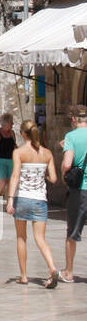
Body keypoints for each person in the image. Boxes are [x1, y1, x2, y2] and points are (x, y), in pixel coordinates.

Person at [7, 122, 58, 288]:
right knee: (40, 239)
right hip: (40, 200)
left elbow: (15, 176)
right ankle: (52, 268)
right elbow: (54, 179)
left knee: (21, 238)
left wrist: (9, 199)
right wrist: (43, 177)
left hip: (23, 198)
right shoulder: (47, 153)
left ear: (23, 134)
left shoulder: (19, 152)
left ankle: (23, 276)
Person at [60, 105, 87, 283]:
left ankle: (69, 272)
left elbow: (68, 164)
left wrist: (63, 174)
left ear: (73, 119)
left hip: (80, 191)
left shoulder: (70, 137)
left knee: (72, 233)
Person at [0, 112, 17, 212]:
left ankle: (9, 203)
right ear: (6, 123)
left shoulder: (12, 133)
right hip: (0, 160)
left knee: (10, 182)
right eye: (11, 122)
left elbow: (14, 146)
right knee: (3, 181)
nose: (12, 124)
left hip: (11, 160)